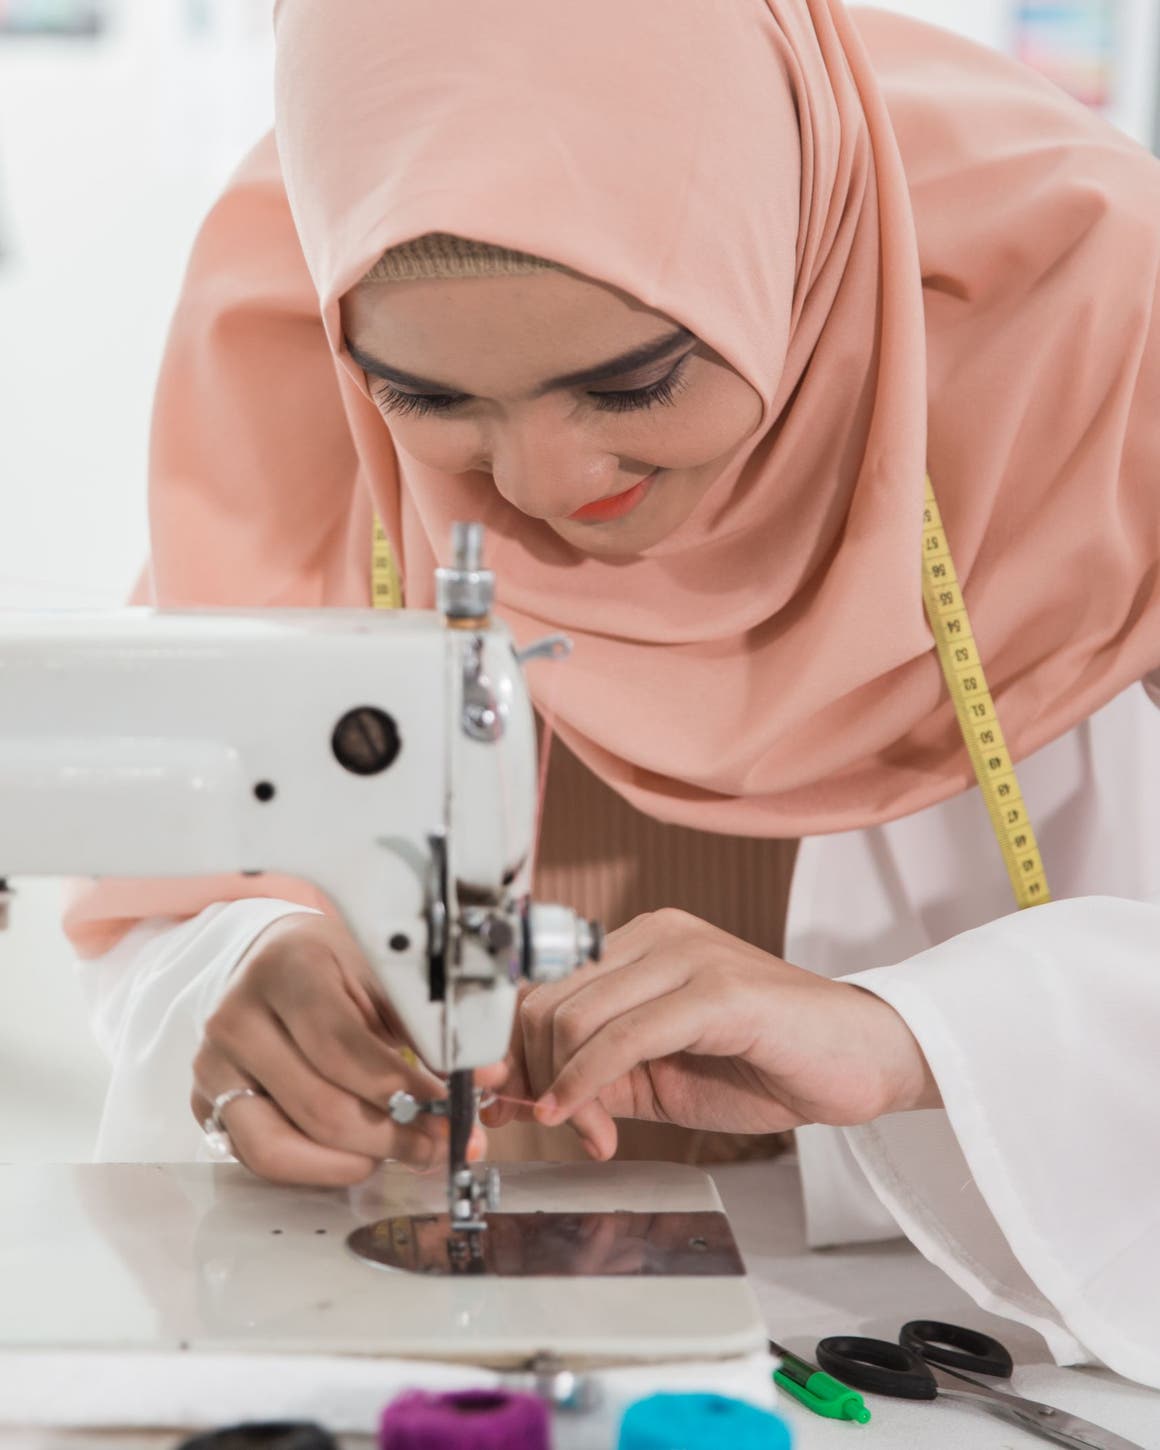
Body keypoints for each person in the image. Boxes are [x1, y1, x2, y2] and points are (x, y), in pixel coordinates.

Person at [65, 0, 1160, 1386]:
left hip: (983, 1318)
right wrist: (242, 967)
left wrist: (916, 1037)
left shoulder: (1089, 312)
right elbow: (153, 888)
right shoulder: (284, 314)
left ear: (784, 248)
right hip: (457, 1319)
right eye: (428, 398)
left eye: (635, 379)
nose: (540, 484)